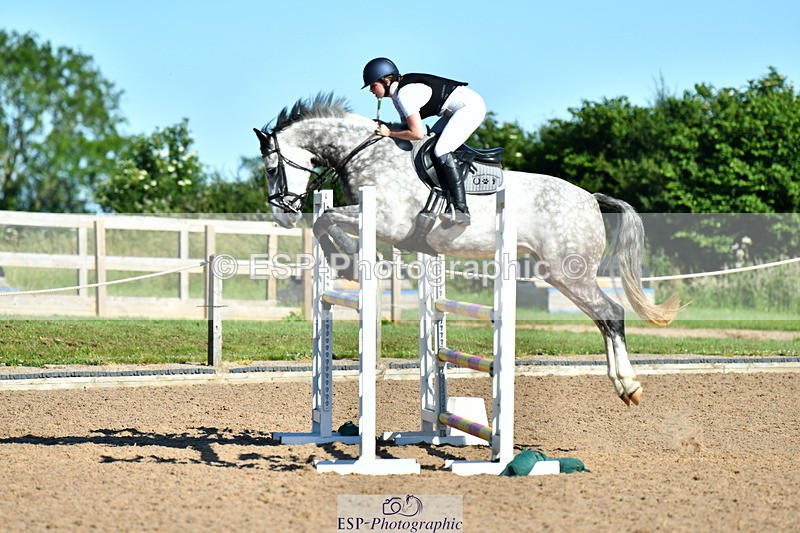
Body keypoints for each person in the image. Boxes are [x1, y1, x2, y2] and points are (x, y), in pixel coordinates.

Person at [362, 57, 486, 227]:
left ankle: (461, 210)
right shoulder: (397, 96)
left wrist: (389, 132)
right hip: (451, 111)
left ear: (386, 81)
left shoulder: (404, 94)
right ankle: (444, 195)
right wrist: (388, 128)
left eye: (373, 85)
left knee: (441, 149)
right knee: (430, 144)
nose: (371, 90)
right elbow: (407, 128)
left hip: (470, 107)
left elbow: (416, 133)